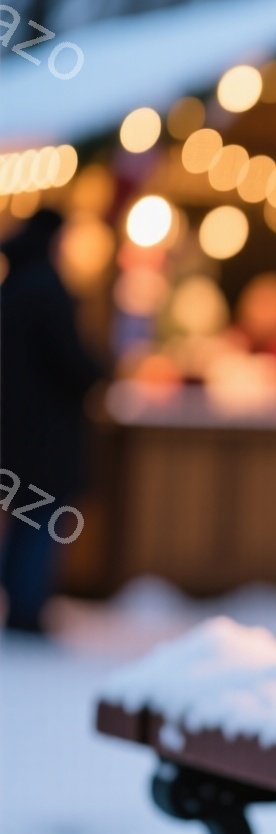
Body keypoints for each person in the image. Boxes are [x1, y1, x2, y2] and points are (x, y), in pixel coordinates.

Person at [0, 209, 105, 635]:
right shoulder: (46, 288)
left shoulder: (15, 284)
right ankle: (27, 607)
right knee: (41, 518)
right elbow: (70, 362)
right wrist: (99, 371)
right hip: (46, 433)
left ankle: (21, 600)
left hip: (16, 430)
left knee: (27, 515)